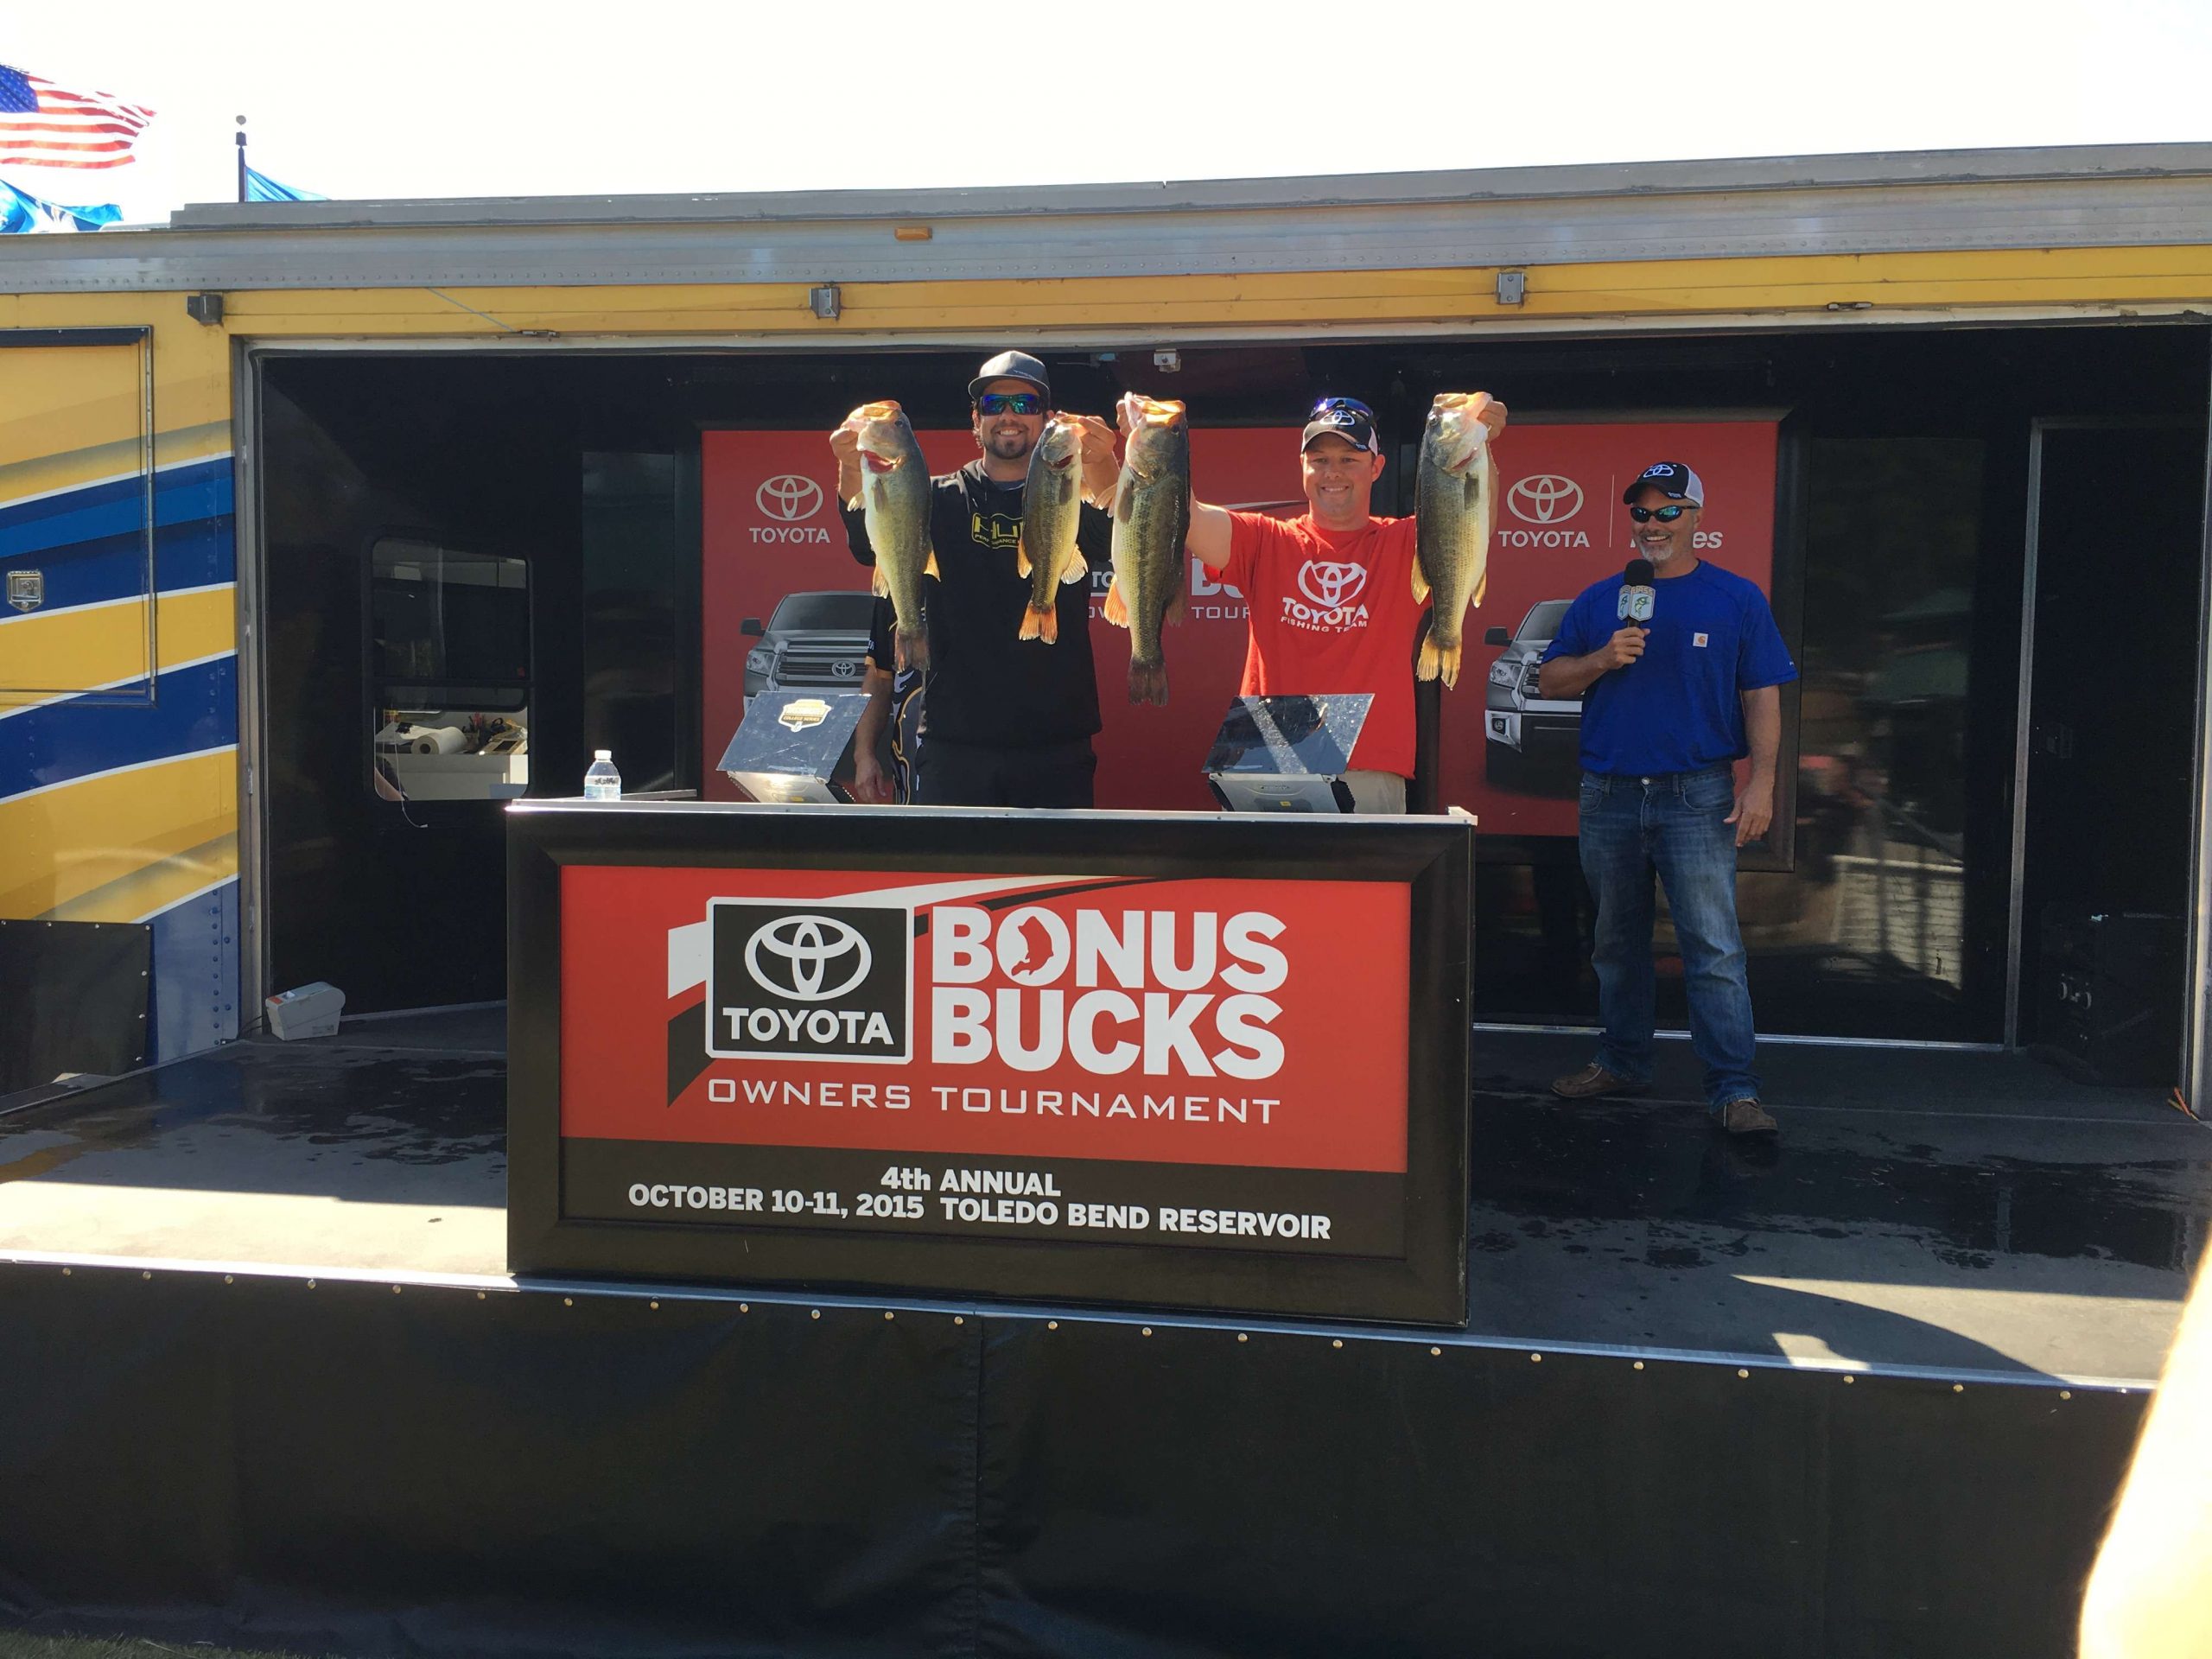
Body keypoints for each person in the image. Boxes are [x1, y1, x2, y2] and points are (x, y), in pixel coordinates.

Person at [1535, 461, 1796, 1135]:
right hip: (1610, 794)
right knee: (1615, 943)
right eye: (1643, 514)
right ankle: (1623, 1061)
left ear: (1697, 517)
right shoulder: (1602, 599)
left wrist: (1763, 783)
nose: (1653, 525)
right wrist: (1602, 658)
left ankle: (1735, 1090)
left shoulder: (1736, 598)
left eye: (1669, 512)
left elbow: (1762, 695)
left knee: (1712, 946)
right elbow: (1550, 680)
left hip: (1696, 794)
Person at [1180, 393, 1507, 812]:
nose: (1332, 472)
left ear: (1377, 467)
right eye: (1319, 459)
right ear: (1302, 466)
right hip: (1268, 758)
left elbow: (1472, 516)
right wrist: (1145, 446)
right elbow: (1183, 517)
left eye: (1349, 459)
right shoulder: (1262, 538)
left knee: (1364, 864)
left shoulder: (1404, 541)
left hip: (1367, 763)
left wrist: (1480, 441)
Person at [831, 351, 1117, 808]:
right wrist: (850, 465)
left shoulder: (1072, 491)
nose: (1009, 416)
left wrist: (1104, 464)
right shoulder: (936, 496)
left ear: (1047, 418)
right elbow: (867, 547)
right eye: (993, 405)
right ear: (976, 420)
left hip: (1056, 742)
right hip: (954, 742)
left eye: (1024, 404)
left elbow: (1115, 540)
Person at [853, 594, 923, 804]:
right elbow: (879, 680)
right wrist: (864, 754)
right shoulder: (895, 588)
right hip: (912, 760)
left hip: (989, 753)